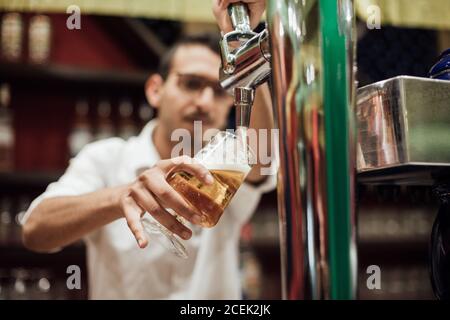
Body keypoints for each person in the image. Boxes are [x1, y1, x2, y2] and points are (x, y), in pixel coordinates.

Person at [22, 0, 272, 299]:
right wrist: (120, 196)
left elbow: (263, 148)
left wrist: (245, 45)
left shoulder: (230, 160)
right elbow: (36, 231)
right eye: (191, 84)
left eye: (220, 90)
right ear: (156, 90)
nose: (205, 102)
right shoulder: (106, 158)